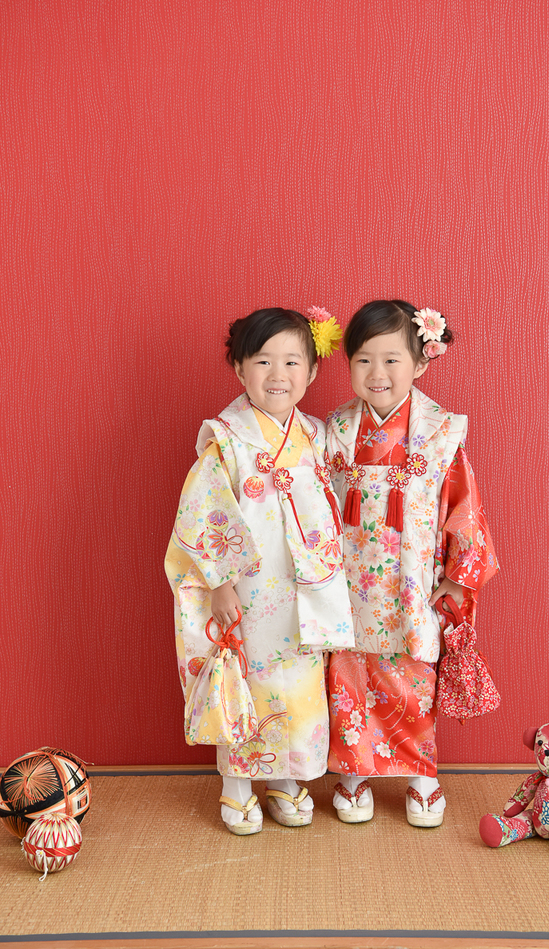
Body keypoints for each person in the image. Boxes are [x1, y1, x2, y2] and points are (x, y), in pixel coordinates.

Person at [165, 307, 354, 835]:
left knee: (299, 684)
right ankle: (238, 785)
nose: (278, 374)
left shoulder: (315, 434)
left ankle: (287, 779)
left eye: (292, 362)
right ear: (239, 368)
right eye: (263, 361)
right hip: (248, 588)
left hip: (304, 592)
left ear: (311, 371)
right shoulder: (226, 438)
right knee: (244, 681)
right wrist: (220, 582)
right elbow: (203, 509)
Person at [325, 299, 498, 827]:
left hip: (412, 581)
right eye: (363, 360)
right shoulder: (333, 430)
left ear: (421, 362)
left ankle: (422, 773)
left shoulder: (441, 433)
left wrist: (458, 578)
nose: (376, 373)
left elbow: (465, 507)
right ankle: (353, 772)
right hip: (348, 582)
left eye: (391, 359)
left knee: (412, 677)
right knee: (349, 674)